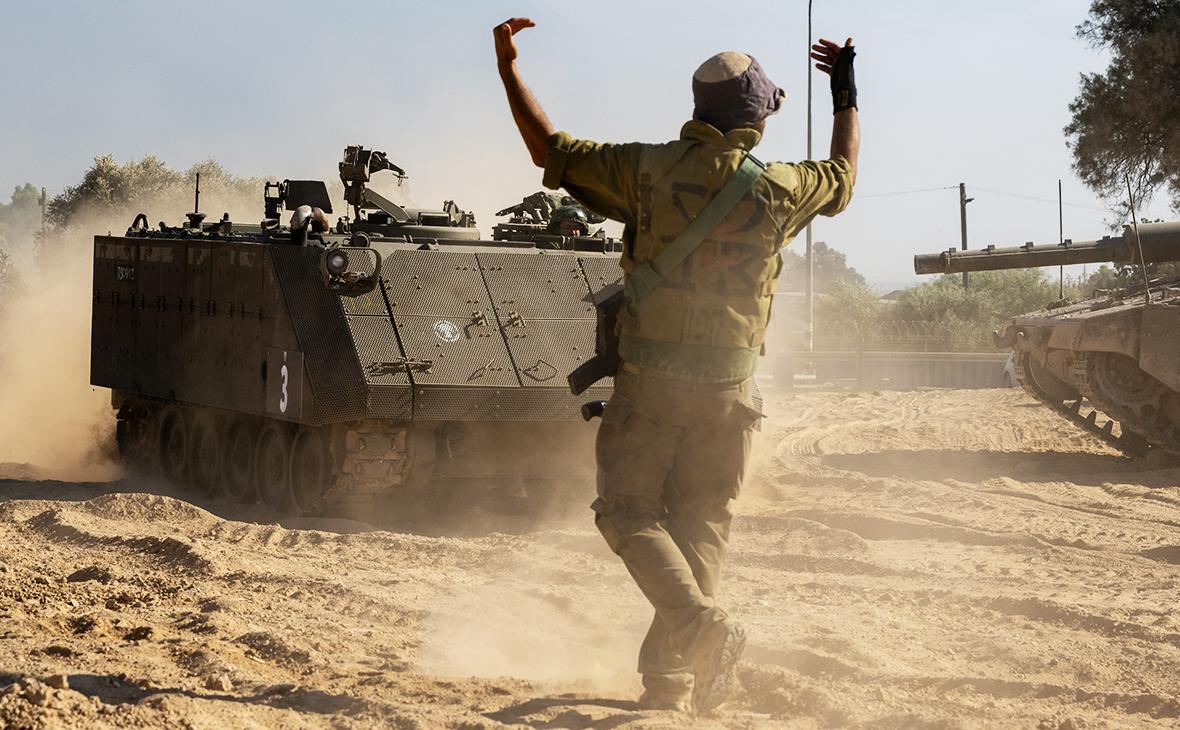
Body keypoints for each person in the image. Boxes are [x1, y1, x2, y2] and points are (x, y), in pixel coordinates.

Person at [494, 17, 859, 713]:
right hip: (731, 390)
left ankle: (699, 631)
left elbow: (549, 149)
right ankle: (671, 678)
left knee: (627, 512)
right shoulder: (783, 187)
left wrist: (509, 68)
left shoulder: (644, 169)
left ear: (698, 110)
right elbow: (843, 177)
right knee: (703, 525)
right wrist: (845, 95)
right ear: (757, 119)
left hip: (653, 385)